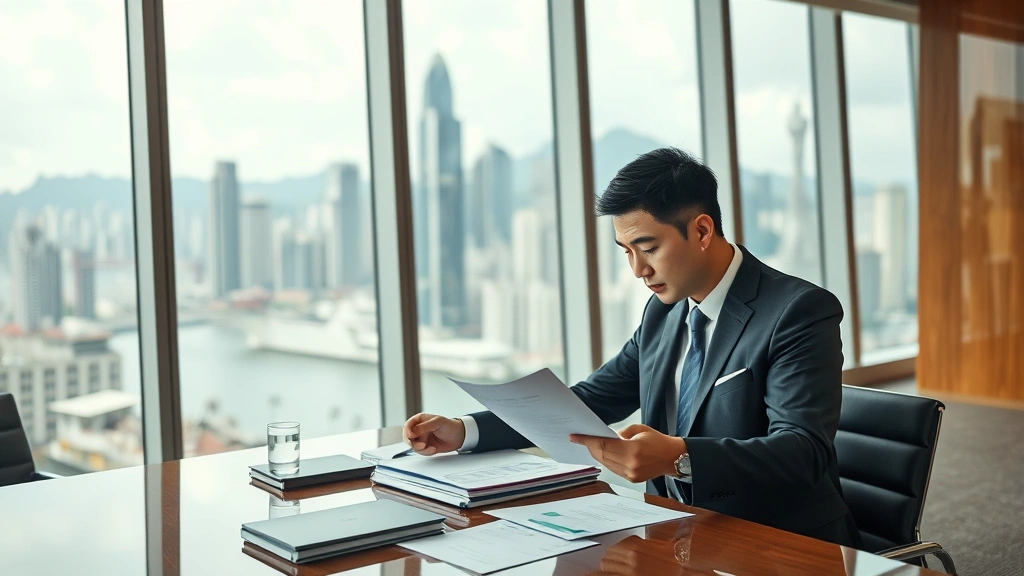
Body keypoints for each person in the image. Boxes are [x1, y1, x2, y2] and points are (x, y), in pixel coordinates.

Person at [403, 147, 861, 548]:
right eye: (625, 250)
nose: (637, 269)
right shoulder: (663, 311)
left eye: (648, 247)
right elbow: (590, 402)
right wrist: (466, 430)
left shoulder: (799, 311)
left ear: (702, 231)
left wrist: (678, 457)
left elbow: (802, 452)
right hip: (678, 534)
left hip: (778, 544)